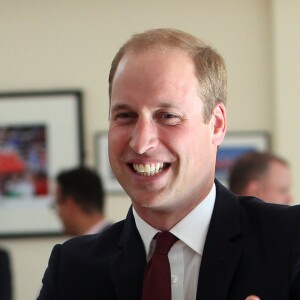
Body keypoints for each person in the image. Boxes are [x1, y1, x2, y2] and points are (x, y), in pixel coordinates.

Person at [37, 28, 300, 300]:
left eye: (168, 116)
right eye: (126, 115)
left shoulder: (289, 242)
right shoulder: (71, 268)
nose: (141, 143)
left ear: (217, 125)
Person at [54, 166, 110, 236]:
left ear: (70, 204)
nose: (58, 213)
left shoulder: (87, 245)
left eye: (58, 204)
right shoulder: (119, 239)